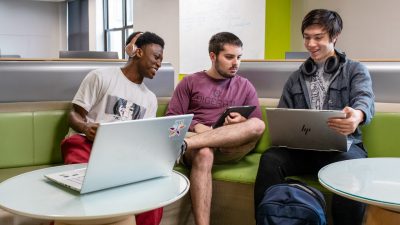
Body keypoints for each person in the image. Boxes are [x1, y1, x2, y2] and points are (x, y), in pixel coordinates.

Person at [254, 9, 375, 225]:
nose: (311, 44)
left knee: (352, 168)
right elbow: (284, 114)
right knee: (270, 159)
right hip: (303, 151)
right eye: (307, 38)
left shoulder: (355, 70)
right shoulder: (296, 77)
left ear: (334, 36)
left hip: (343, 149)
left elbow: (364, 100)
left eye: (318, 38)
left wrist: (356, 116)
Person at [60, 31, 165, 225]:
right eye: (156, 57)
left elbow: (143, 137)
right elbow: (74, 114)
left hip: (120, 153)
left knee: (153, 194)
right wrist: (86, 126)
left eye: (161, 59)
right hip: (85, 143)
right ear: (139, 52)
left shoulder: (150, 99)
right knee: (85, 184)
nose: (159, 63)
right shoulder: (101, 77)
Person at [166, 32, 265, 225]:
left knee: (257, 124)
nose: (235, 62)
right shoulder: (190, 82)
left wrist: (241, 122)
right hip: (198, 147)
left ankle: (187, 143)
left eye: (239, 57)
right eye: (229, 57)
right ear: (213, 56)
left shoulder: (245, 86)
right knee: (204, 152)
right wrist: (197, 126)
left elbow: (256, 126)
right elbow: (172, 121)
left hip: (230, 146)